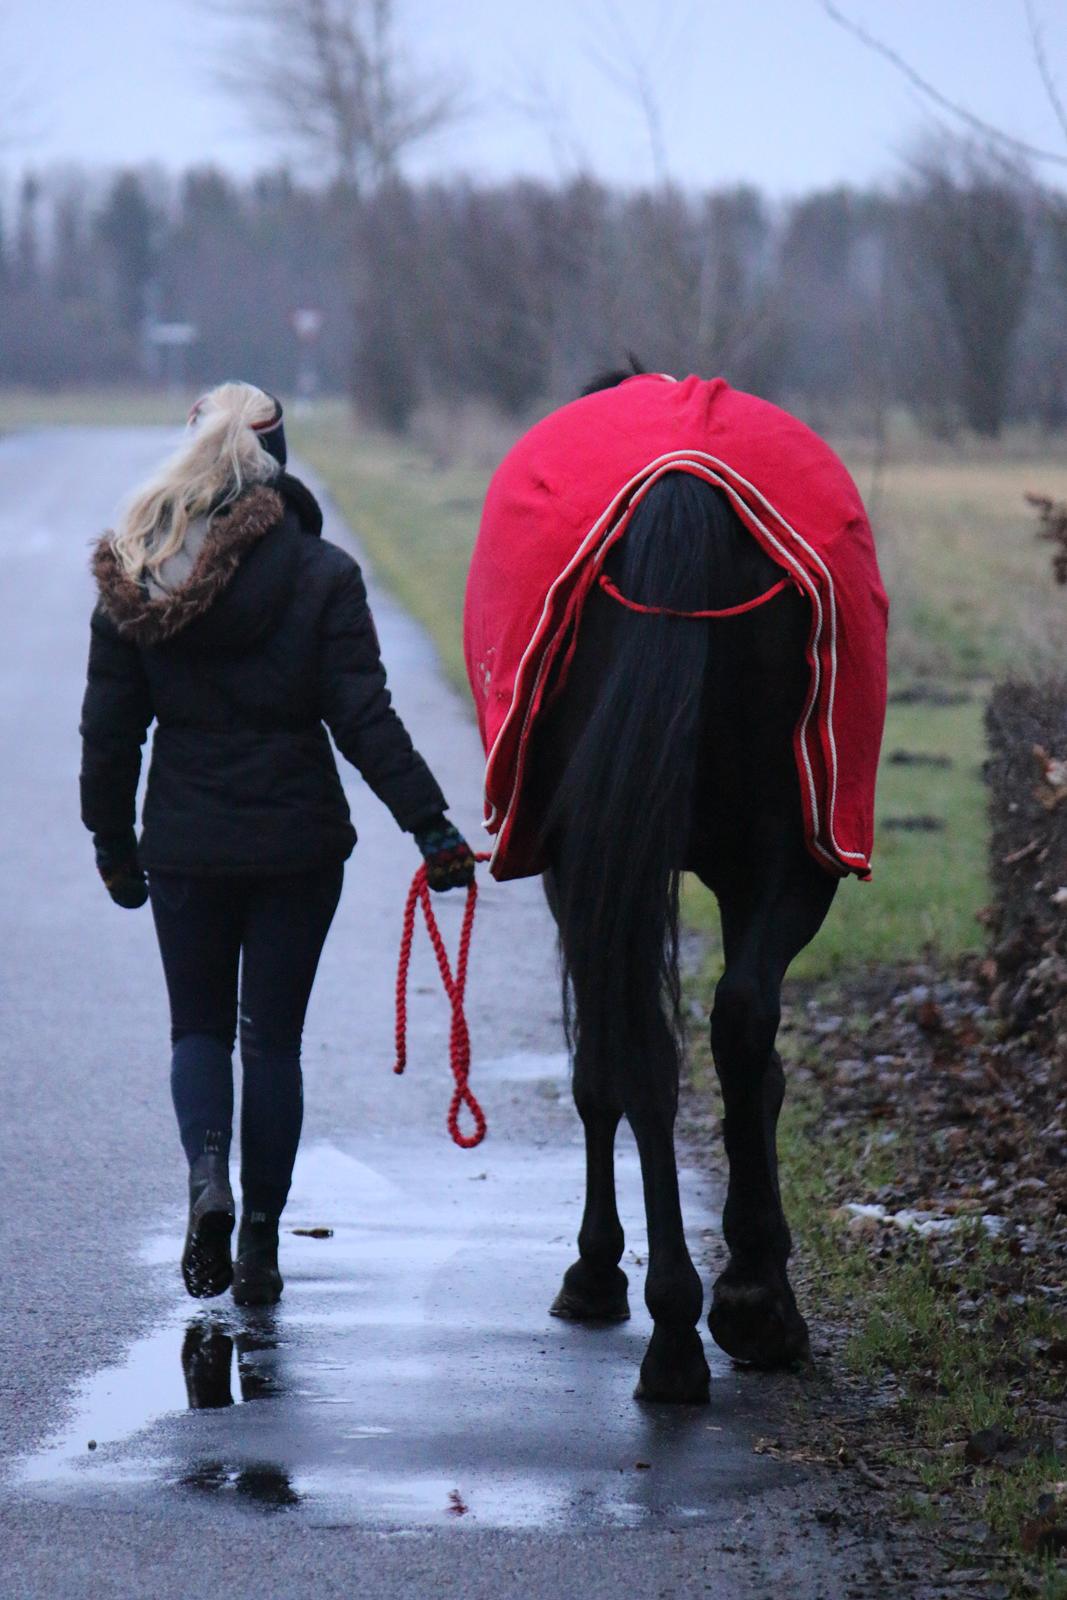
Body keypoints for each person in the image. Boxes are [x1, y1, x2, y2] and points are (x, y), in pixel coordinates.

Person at [80, 381, 476, 1307]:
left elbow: (109, 734)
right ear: (280, 462)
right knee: (272, 1042)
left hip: (184, 842)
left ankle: (206, 1177)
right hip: (298, 845)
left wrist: (112, 840)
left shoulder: (138, 577)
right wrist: (432, 825)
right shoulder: (322, 575)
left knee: (199, 1028)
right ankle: (258, 1241)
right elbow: (365, 720)